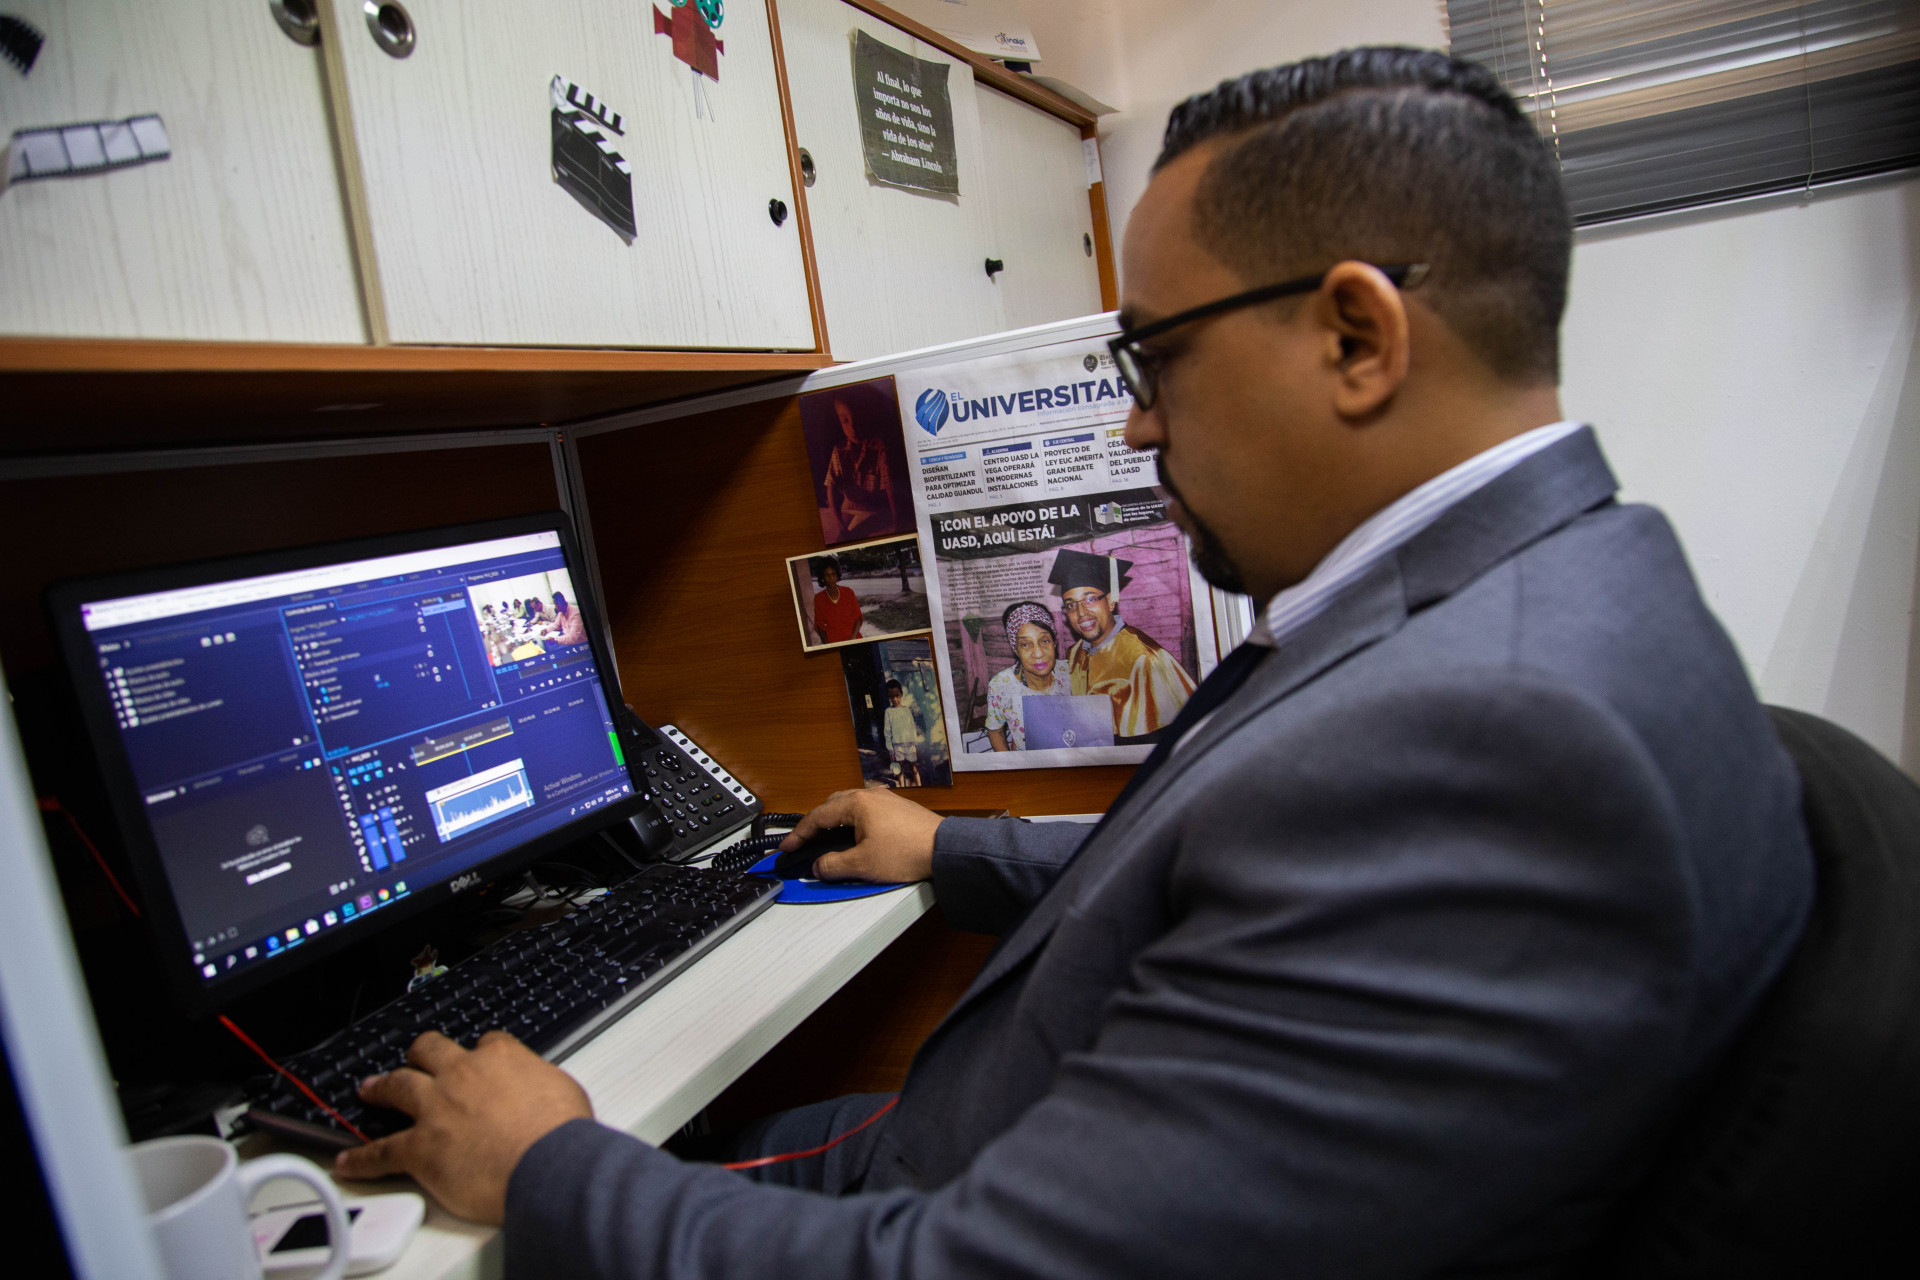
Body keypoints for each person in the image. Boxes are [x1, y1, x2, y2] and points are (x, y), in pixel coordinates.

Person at [331, 49, 1814, 1279]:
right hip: (993, 1141)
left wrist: (547, 1169)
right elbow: (1249, 854)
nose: (1136, 425)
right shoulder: (1553, 589)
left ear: (1357, 337)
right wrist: (954, 850)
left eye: (1153, 358)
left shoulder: (1491, 738)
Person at [1048, 548, 1196, 741]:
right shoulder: (1074, 653)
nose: (1081, 612)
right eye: (1071, 605)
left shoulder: (1145, 658)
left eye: (1090, 599)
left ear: (1110, 602)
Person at [984, 601, 1070, 751]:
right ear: (1016, 649)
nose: (1038, 653)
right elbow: (995, 730)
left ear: (1054, 642)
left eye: (1044, 641)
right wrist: (1011, 763)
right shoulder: (1001, 685)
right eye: (1025, 644)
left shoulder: (1071, 672)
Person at [823, 396, 901, 539]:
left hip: (873, 510)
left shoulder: (879, 449)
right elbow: (831, 489)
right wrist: (841, 527)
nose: (852, 428)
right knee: (840, 538)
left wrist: (896, 527)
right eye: (845, 421)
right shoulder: (839, 451)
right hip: (849, 507)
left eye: (856, 420)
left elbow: (890, 490)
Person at [810, 557, 864, 645]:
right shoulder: (819, 598)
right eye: (827, 575)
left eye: (833, 574)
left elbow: (858, 618)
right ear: (822, 578)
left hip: (853, 638)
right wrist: (828, 645)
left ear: (837, 575)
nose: (831, 578)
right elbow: (820, 626)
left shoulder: (848, 592)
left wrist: (852, 639)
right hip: (834, 641)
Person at [880, 679, 922, 787]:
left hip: (910, 746)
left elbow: (912, 728)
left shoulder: (906, 710)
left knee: (914, 769)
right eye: (891, 697)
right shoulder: (888, 712)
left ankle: (920, 786)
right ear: (888, 697)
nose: (895, 699)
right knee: (900, 770)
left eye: (897, 695)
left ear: (901, 694)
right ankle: (903, 789)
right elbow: (887, 732)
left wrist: (915, 745)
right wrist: (890, 750)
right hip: (897, 747)